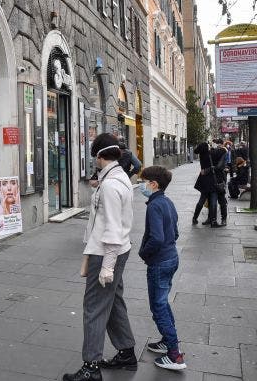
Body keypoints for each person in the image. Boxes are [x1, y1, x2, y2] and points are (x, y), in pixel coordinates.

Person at [63, 133, 136, 381]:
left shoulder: (111, 185)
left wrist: (107, 266)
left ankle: (91, 367)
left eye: (95, 155)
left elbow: (113, 229)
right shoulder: (118, 178)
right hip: (116, 250)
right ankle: (126, 351)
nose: (94, 159)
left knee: (93, 307)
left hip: (105, 253)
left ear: (100, 156)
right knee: (113, 301)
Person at [138, 166, 186, 370]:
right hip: (171, 258)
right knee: (162, 303)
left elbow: (156, 237)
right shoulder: (167, 201)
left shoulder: (154, 206)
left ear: (153, 184)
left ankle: (175, 355)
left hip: (159, 262)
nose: (141, 185)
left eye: (143, 181)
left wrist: (144, 253)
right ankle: (167, 341)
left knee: (158, 307)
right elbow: (174, 233)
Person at [192, 142, 222, 228]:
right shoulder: (210, 154)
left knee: (202, 200)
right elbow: (223, 152)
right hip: (212, 179)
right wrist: (219, 147)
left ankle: (195, 218)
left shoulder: (201, 155)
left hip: (203, 180)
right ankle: (213, 221)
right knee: (213, 201)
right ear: (206, 147)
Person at [210, 139, 229, 226]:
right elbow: (222, 166)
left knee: (213, 201)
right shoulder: (224, 151)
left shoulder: (210, 153)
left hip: (212, 179)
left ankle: (213, 220)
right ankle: (223, 219)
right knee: (222, 201)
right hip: (220, 179)